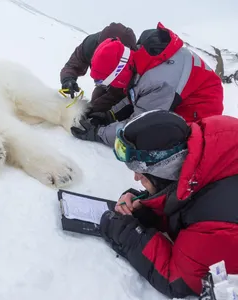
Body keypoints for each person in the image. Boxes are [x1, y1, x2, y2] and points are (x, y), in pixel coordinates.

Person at [98, 109, 238, 298]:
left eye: (142, 173)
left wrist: (129, 234)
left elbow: (179, 279)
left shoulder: (218, 223)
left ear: (166, 172)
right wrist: (149, 205)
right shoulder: (213, 141)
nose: (136, 177)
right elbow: (190, 192)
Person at [70, 22, 224, 147]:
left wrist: (98, 134)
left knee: (155, 140)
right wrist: (109, 115)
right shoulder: (139, 61)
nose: (106, 86)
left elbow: (138, 125)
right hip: (182, 92)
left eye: (107, 82)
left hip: (200, 109)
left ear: (119, 73)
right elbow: (136, 94)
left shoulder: (158, 81)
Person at [60, 22, 137, 113]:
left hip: (120, 88)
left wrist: (98, 110)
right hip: (104, 81)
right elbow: (74, 63)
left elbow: (120, 94)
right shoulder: (91, 44)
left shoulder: (133, 61)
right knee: (95, 101)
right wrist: (68, 78)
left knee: (100, 109)